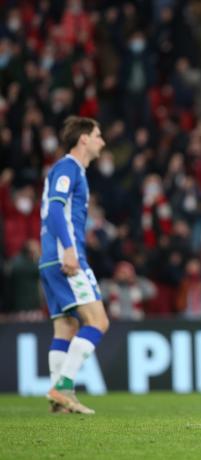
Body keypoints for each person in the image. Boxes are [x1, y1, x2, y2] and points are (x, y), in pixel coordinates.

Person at [39, 116, 110, 414]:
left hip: (48, 259)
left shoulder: (69, 170)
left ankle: (59, 400)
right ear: (83, 139)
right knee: (98, 321)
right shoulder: (69, 168)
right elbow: (56, 208)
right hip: (65, 257)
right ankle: (64, 386)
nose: (102, 141)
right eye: (97, 135)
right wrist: (69, 249)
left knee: (65, 326)